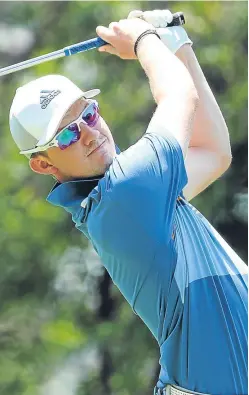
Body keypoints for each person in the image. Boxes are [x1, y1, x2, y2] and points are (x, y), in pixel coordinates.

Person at [9, 9, 247, 395]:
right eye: (67, 135)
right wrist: (142, 40)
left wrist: (177, 43)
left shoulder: (139, 194)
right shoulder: (126, 194)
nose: (89, 134)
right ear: (43, 163)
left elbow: (212, 151)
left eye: (89, 113)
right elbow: (178, 95)